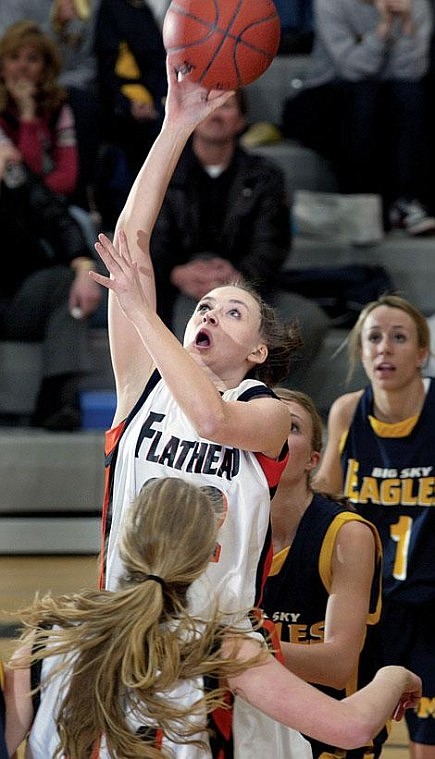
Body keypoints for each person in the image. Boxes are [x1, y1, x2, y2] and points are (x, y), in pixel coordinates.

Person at [88, 57, 307, 753]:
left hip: (220, 664)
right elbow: (131, 246)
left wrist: (138, 307)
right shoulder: (142, 387)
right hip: (122, 641)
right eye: (204, 304)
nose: (209, 309)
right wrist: (176, 124)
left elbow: (213, 422)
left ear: (255, 352)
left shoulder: (267, 411)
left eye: (231, 309)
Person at [3, 477, 422, 758]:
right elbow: (351, 729)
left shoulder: (43, 638)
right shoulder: (222, 649)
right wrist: (395, 676)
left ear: (122, 543)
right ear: (210, 555)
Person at [314, 294, 435, 759]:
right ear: (361, 352)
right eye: (374, 338)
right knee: (355, 740)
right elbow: (325, 499)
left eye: (399, 338)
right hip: (368, 607)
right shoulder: (346, 411)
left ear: (421, 354)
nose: (385, 348)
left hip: (429, 606)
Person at [149, 87, 330, 388]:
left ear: (242, 121)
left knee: (310, 320)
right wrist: (175, 272)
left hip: (248, 287)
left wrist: (238, 278)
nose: (216, 114)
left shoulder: (265, 175)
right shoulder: (165, 172)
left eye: (227, 106)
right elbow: (149, 238)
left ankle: (267, 399)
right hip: (180, 290)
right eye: (209, 105)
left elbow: (272, 243)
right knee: (198, 334)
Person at [262, 388, 387, 759]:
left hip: (330, 738)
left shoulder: (346, 534)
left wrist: (239, 651)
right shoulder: (223, 527)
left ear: (312, 460)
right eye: (268, 424)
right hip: (256, 730)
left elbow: (336, 665)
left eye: (292, 427)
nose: (276, 435)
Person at [282, 0, 435, 236]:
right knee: (364, 96)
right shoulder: (330, 4)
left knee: (411, 95)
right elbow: (352, 69)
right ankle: (365, 202)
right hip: (330, 93)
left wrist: (406, 26)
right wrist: (382, 30)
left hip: (388, 96)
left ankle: (407, 201)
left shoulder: (414, 4)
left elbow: (412, 73)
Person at [0, 140, 102, 430]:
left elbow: (58, 219)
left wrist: (84, 266)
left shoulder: (11, 172)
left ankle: (58, 400)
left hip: (21, 294)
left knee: (68, 282)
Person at [94, 0, 167, 230]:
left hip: (155, 104)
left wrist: (157, 101)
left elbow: (159, 63)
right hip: (119, 110)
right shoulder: (111, 9)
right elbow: (108, 65)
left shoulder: (144, 11)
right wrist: (127, 103)